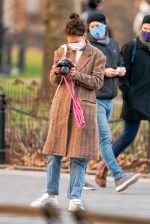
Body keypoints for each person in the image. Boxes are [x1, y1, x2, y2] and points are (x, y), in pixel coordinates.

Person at [31, 13, 106, 211]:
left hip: (83, 109)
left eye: (76, 41)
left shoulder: (97, 55)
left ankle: (75, 198)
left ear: (83, 35)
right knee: (53, 154)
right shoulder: (61, 51)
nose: (72, 45)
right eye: (69, 42)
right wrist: (56, 71)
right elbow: (53, 81)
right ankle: (50, 194)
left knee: (79, 156)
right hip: (62, 107)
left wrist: (77, 75)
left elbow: (98, 82)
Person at [84, 11, 140, 191]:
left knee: (91, 139)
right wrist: (103, 73)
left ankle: (78, 178)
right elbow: (83, 72)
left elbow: (120, 61)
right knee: (105, 139)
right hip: (94, 99)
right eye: (91, 27)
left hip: (109, 99)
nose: (95, 29)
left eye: (97, 25)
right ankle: (118, 176)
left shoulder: (114, 44)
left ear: (104, 25)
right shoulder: (87, 47)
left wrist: (121, 69)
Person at [96, 14, 150, 188]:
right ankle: (103, 167)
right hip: (134, 99)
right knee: (128, 135)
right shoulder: (131, 46)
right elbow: (122, 71)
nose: (147, 31)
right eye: (145, 28)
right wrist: (128, 93)